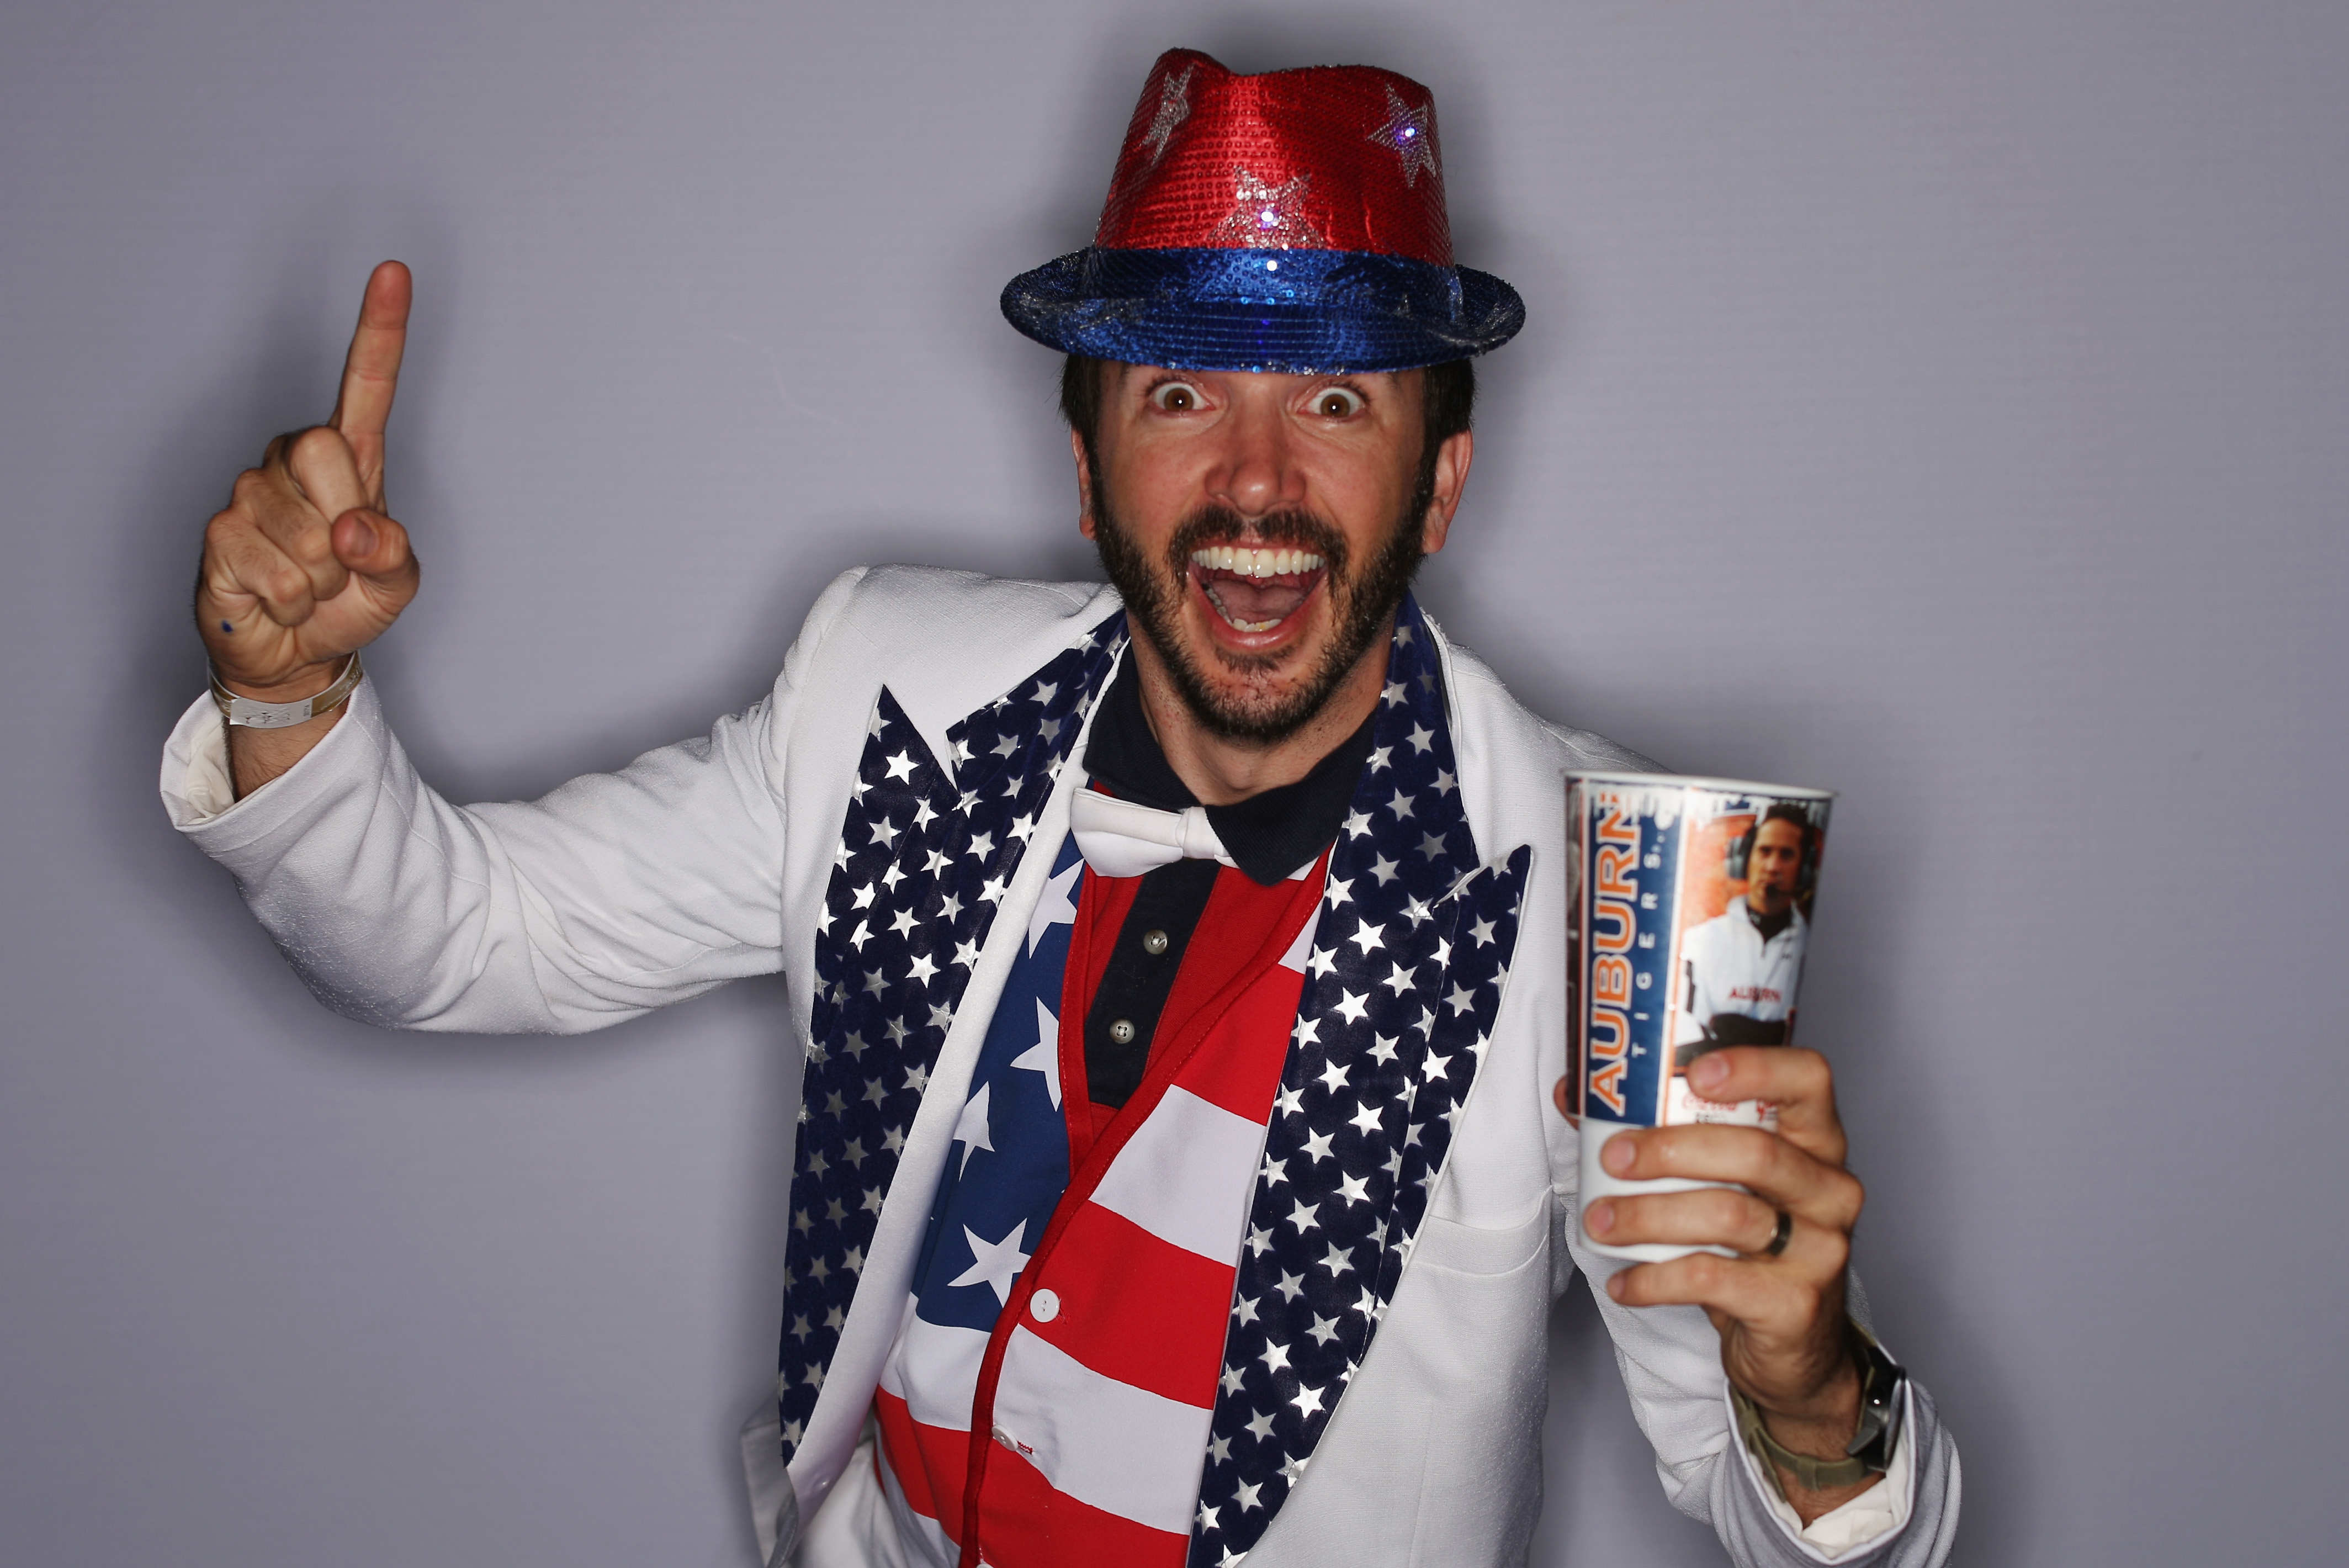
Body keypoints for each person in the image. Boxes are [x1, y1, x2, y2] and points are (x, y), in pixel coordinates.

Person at [162, 49, 1958, 1568]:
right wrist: (285, 694)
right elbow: (462, 940)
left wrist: (1812, 1399)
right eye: (1177, 390)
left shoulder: (1610, 895)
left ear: (1439, 486)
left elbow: (1789, 1508)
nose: (1254, 481)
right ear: (1082, 455)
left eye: (1335, 396)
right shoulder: (883, 690)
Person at [1675, 805, 1817, 1066]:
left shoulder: (1813, 947)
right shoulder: (1699, 941)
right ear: (1743, 859)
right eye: (1765, 852)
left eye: (1787, 855)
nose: (1773, 867)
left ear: (1805, 867)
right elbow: (1681, 1036)